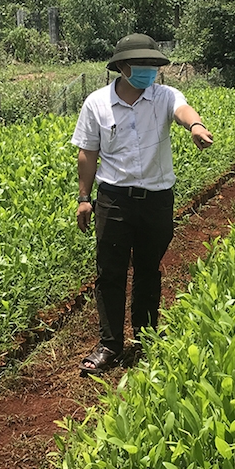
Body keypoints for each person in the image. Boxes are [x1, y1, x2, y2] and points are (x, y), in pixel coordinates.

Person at [72, 34, 213, 375]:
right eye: (144, 65)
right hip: (114, 199)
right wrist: (83, 198)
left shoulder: (164, 96)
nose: (151, 71)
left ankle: (145, 337)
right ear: (123, 67)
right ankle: (109, 344)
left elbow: (183, 110)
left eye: (154, 65)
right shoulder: (97, 103)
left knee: (149, 269)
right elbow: (87, 154)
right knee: (111, 272)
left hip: (156, 199)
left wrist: (194, 126)